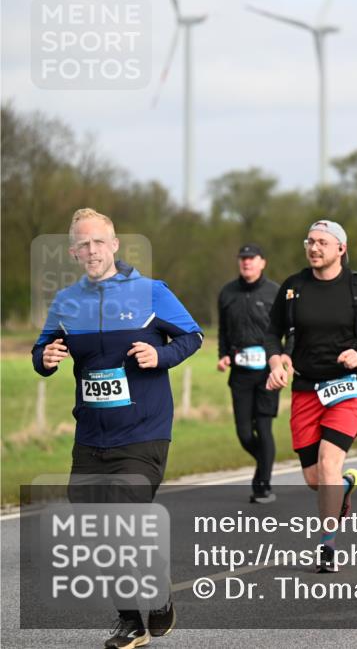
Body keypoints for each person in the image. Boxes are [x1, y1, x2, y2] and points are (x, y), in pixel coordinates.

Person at [32, 208, 203, 648]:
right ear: (74, 251)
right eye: (82, 244)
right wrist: (45, 359)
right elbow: (43, 347)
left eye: (98, 242)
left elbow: (192, 335)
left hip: (143, 430)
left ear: (114, 246)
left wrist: (159, 356)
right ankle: (148, 604)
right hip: (91, 433)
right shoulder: (67, 301)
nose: (91, 250)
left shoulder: (150, 292)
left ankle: (133, 623)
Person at [264, 220, 357, 572]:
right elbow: (271, 334)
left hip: (349, 387)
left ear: (341, 249)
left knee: (327, 462)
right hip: (306, 389)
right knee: (314, 479)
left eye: (322, 242)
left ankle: (327, 547)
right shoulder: (293, 288)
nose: (314, 248)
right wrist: (277, 362)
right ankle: (347, 483)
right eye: (309, 241)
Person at [217, 243, 281, 502]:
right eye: (242, 258)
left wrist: (284, 357)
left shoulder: (275, 292)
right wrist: (223, 355)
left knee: (263, 428)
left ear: (262, 262)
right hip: (240, 372)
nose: (246, 262)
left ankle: (262, 484)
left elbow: (286, 331)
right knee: (244, 433)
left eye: (252, 258)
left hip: (267, 370)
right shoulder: (227, 292)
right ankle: (265, 462)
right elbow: (223, 330)